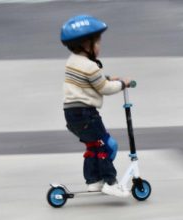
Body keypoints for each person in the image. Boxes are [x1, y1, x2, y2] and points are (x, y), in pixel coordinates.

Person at [60, 15, 131, 197]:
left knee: (93, 146)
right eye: (97, 42)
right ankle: (110, 183)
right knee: (106, 147)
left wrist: (106, 77)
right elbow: (104, 88)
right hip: (87, 114)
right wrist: (123, 84)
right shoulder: (90, 66)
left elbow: (88, 81)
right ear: (85, 44)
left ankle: (94, 181)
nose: (99, 46)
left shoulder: (72, 61)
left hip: (71, 115)